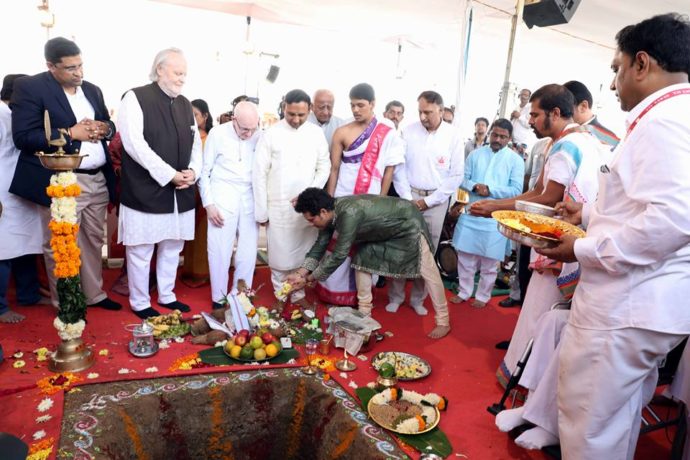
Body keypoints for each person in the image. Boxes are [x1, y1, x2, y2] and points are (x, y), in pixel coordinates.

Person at [534, 14, 690, 459]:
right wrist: (587, 211)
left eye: (616, 68)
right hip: (643, 303)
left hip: (626, 306)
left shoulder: (667, 122)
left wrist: (582, 247)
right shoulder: (673, 115)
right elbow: (644, 203)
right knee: (613, 417)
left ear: (641, 64)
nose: (614, 81)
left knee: (589, 426)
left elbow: (675, 218)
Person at [469, 84, 608, 386]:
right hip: (580, 241)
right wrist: (499, 205)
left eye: (535, 114)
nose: (529, 121)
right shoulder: (585, 139)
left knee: (539, 313)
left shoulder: (564, 146)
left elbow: (547, 198)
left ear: (555, 114)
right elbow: (540, 192)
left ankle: (522, 382)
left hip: (559, 244)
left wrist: (495, 206)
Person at [10, 37, 121, 312]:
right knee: (61, 243)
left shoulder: (92, 90)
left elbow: (109, 125)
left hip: (97, 176)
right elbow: (23, 137)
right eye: (71, 68)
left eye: (81, 65)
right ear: (51, 66)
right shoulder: (31, 88)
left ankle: (94, 294)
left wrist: (103, 129)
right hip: (62, 180)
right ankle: (67, 304)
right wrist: (71, 133)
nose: (79, 73)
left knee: (94, 239)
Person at [287, 187, 451, 339]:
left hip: (407, 223)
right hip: (380, 230)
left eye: (311, 219)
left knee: (427, 269)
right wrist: (300, 273)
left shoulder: (348, 215)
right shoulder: (330, 214)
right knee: (362, 260)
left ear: (322, 212)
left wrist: (309, 279)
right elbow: (320, 245)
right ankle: (364, 311)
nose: (310, 223)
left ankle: (443, 321)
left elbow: (339, 254)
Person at [118, 48, 202, 319]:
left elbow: (196, 144)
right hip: (146, 189)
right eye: (178, 73)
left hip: (180, 190)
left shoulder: (184, 103)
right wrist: (169, 174)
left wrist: (193, 172)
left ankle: (167, 295)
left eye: (184, 74)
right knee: (141, 250)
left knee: (172, 246)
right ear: (159, 70)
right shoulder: (135, 97)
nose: (182, 79)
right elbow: (134, 144)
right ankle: (140, 301)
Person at [318, 83, 406, 306]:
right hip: (343, 197)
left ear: (372, 104)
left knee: (366, 247)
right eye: (352, 105)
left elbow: (389, 171)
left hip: (371, 201)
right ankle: (335, 294)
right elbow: (334, 169)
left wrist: (381, 202)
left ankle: (363, 298)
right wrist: (330, 202)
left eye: (360, 105)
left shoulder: (387, 132)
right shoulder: (342, 132)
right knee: (340, 245)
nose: (356, 110)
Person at [387, 91, 463, 316]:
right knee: (401, 248)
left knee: (427, 252)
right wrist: (408, 199)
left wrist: (428, 201)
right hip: (408, 197)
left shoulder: (453, 136)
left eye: (428, 112)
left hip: (436, 203)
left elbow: (456, 175)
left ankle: (418, 298)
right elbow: (398, 168)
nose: (422, 116)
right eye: (420, 111)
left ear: (440, 110)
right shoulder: (408, 131)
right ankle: (396, 296)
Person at [252, 89, 330, 311]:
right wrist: (262, 211)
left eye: (301, 115)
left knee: (304, 253)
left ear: (310, 110)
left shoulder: (315, 134)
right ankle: (280, 294)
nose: (296, 119)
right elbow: (259, 173)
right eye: (291, 114)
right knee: (279, 256)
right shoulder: (271, 134)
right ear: (284, 108)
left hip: (308, 208)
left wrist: (310, 194)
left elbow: (324, 165)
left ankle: (297, 294)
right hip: (278, 205)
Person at [449, 119, 523, 308]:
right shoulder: (475, 154)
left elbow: (516, 190)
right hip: (471, 213)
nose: (497, 139)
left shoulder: (515, 160)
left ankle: (483, 295)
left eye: (503, 136)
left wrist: (490, 190)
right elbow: (461, 178)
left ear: (509, 138)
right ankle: (464, 292)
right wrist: (474, 186)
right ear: (490, 133)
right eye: (495, 134)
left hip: (494, 217)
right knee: (465, 257)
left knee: (490, 262)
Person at [199, 101, 261, 308]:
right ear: (234, 120)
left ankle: (241, 296)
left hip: (250, 196)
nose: (248, 134)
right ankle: (218, 298)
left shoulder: (260, 134)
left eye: (253, 128)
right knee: (219, 249)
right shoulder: (217, 134)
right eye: (244, 129)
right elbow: (204, 172)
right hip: (222, 194)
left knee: (248, 250)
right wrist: (209, 204)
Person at [0, 74, 47, 324]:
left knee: (26, 245)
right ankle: (0, 307)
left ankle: (29, 295)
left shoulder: (18, 115)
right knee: (4, 250)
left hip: (22, 189)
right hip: (2, 194)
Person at [180, 98, 213, 288]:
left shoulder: (209, 138)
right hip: (186, 190)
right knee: (188, 233)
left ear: (205, 116)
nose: (191, 119)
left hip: (202, 193)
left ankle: (201, 272)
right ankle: (188, 269)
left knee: (202, 234)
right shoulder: (185, 136)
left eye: (195, 115)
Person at [563, 80, 619, 149]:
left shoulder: (609, 140)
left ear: (583, 106)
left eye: (565, 109)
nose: (561, 115)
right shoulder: (571, 133)